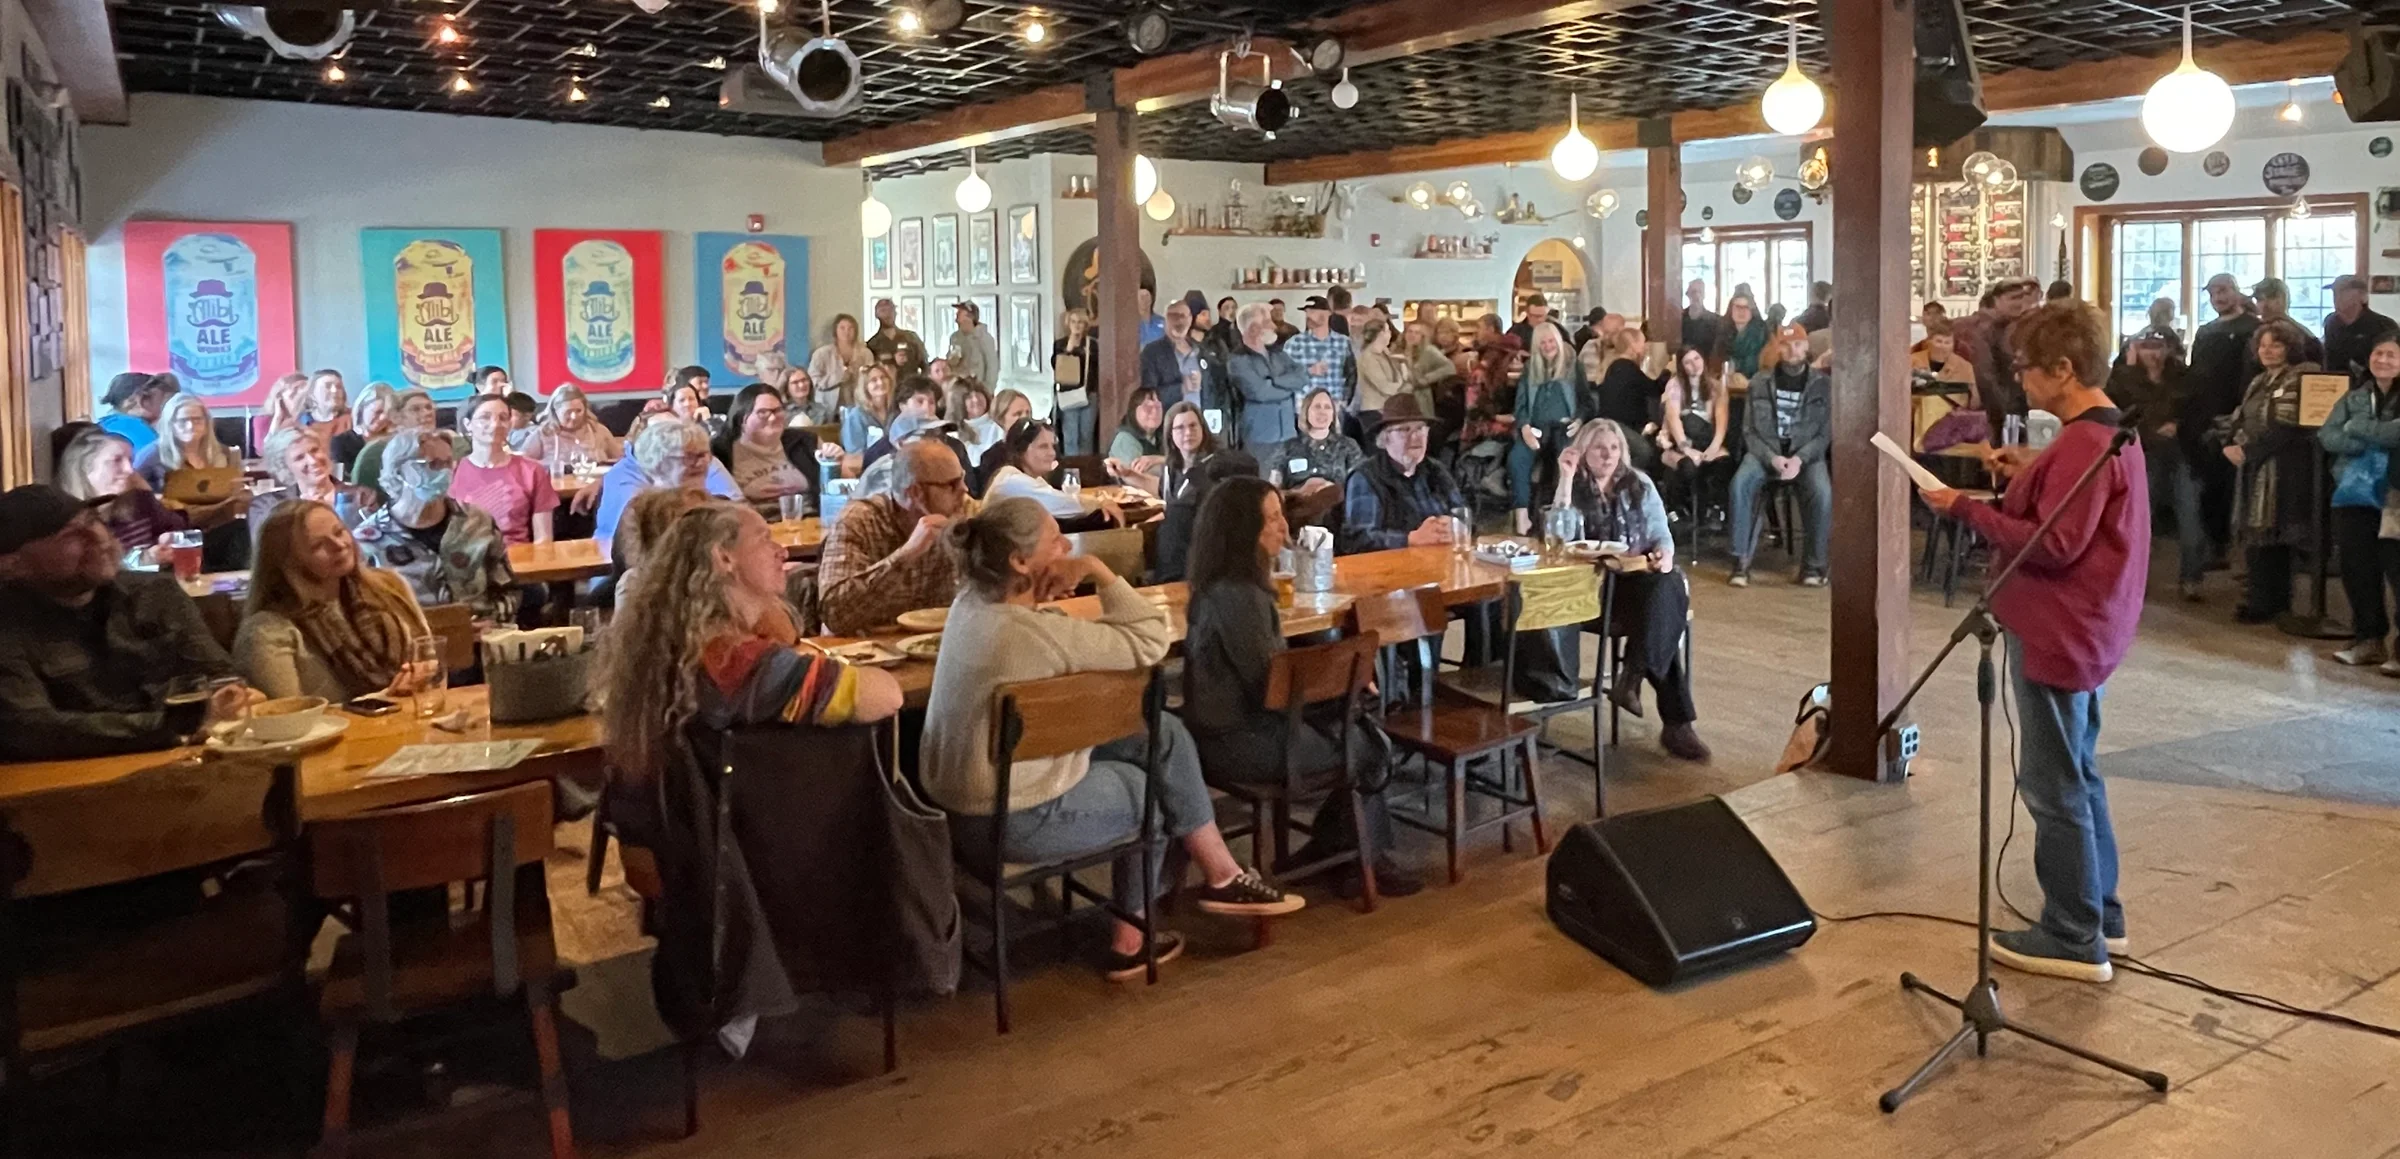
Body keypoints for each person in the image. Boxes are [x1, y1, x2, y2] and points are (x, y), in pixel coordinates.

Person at [920, 498, 1302, 980]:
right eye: (1055, 540)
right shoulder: (1031, 635)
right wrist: (1098, 571)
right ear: (1019, 561)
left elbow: (1069, 637)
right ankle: (1133, 939)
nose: (1066, 547)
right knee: (1155, 799)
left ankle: (1222, 875)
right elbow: (1150, 638)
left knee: (1161, 734)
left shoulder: (970, 607)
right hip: (1007, 821)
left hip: (955, 806)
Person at [1920, 299, 2148, 983]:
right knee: (2080, 772)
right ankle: (2101, 911)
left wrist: (1963, 506)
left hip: (2059, 629)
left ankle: (2074, 934)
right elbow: (2073, 505)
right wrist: (2032, 467)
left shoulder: (2082, 442)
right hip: (2090, 628)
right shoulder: (2109, 433)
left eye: (2025, 369)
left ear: (2064, 369)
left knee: (2051, 785)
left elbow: (2052, 544)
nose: (2019, 380)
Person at [1180, 475, 1422, 897]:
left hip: (1237, 728)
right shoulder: (1239, 596)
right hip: (1239, 741)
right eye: (1271, 519)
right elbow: (1269, 687)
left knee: (1357, 723)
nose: (1283, 528)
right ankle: (1359, 856)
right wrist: (1343, 685)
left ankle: (1339, 849)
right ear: (1242, 532)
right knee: (1369, 743)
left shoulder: (1225, 587)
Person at [0, 484, 251, 759]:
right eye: (71, 535)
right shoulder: (9, 625)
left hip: (189, 764)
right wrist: (170, 726)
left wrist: (231, 696)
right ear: (13, 564)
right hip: (75, 785)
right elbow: (32, 729)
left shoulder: (156, 592)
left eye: (93, 521)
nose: (98, 537)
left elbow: (221, 676)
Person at [1553, 420, 1709, 761]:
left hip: (1635, 580)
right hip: (1590, 587)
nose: (1608, 455)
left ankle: (1634, 675)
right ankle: (1673, 721)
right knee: (1662, 615)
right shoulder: (1573, 484)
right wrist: (1565, 480)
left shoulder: (1639, 484)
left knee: (1667, 586)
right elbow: (1556, 539)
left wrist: (1664, 554)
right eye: (1599, 448)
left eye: (1613, 448)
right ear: (1583, 451)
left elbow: (1660, 533)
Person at [235, 500, 431, 703]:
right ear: (288, 562)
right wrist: (386, 697)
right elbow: (290, 719)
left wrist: (421, 673)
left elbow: (428, 656)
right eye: (318, 545)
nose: (339, 545)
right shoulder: (266, 630)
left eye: (339, 532)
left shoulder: (390, 585)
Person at [352, 428, 518, 623]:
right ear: (398, 472)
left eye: (448, 463)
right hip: (413, 645)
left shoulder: (477, 521)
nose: (444, 472)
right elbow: (364, 617)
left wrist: (493, 620)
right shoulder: (367, 541)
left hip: (484, 639)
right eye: (433, 465)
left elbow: (508, 590)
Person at [2214, 318, 2320, 623]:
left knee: (2277, 536)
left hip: (2284, 469)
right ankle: (2261, 598)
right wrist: (2229, 441)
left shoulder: (2299, 378)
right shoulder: (2260, 381)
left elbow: (2286, 427)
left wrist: (2248, 451)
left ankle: (2272, 602)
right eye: (2263, 345)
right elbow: (2241, 418)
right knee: (2258, 536)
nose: (2268, 351)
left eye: (2276, 344)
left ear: (2290, 348)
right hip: (2253, 467)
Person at [816, 440, 971, 634]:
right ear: (915, 493)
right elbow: (834, 614)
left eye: (962, 479)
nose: (964, 490)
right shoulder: (860, 520)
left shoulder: (964, 516)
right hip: (870, 651)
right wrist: (906, 555)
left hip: (938, 648)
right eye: (952, 485)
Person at [1728, 324, 1832, 588]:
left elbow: (1825, 433)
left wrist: (1799, 459)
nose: (1792, 350)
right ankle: (1740, 563)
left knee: (1822, 492)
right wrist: (1773, 458)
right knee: (1740, 484)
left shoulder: (1823, 384)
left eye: (1797, 344)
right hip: (1767, 451)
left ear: (1807, 346)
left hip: (1805, 455)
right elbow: (1749, 431)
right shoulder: (1760, 382)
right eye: (1785, 345)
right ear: (1778, 348)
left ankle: (1813, 566)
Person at [2318, 334, 2400, 670]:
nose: (2383, 360)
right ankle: (2368, 640)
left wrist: (2359, 428)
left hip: (2395, 495)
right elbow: (2328, 435)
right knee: (2358, 569)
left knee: (2398, 571)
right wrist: (2369, 437)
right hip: (2355, 494)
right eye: (2378, 354)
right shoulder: (2354, 397)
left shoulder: (2357, 411)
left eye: (2391, 355)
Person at [2105, 332, 2207, 599]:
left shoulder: (2184, 378)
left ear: (2169, 349)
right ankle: (2136, 578)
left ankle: (2191, 579)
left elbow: (2200, 414)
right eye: (2146, 347)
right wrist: (2148, 431)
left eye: (2158, 347)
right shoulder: (2123, 379)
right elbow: (2116, 415)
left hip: (2182, 454)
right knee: (2139, 520)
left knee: (2190, 518)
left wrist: (2179, 425)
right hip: (2143, 454)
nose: (2153, 354)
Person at [56, 428, 227, 556]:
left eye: (130, 460)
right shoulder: (66, 521)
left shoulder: (137, 501)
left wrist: (147, 494)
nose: (130, 470)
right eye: (117, 460)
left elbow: (176, 527)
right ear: (85, 467)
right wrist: (144, 560)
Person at [2186, 273, 2262, 547]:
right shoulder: (2206, 331)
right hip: (2208, 417)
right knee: (2212, 483)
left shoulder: (2254, 328)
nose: (2218, 297)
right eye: (2213, 292)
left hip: (2242, 415)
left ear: (2236, 292)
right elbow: (2195, 375)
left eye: (2224, 290)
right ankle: (2215, 544)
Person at [588, 417, 741, 548]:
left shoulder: (713, 501)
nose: (701, 463)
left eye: (704, 455)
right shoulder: (640, 512)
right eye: (689, 457)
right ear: (658, 462)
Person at [1341, 395, 1461, 554]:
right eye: (1405, 429)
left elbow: (1463, 512)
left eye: (1420, 429)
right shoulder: (1365, 477)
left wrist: (1455, 525)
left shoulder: (1436, 470)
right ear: (1386, 438)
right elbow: (1358, 539)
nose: (1416, 436)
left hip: (1441, 565)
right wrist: (1411, 539)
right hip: (1391, 571)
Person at [449, 394, 558, 547]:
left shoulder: (532, 471)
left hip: (518, 560)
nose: (495, 424)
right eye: (485, 418)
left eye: (503, 418)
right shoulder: (451, 471)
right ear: (468, 424)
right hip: (466, 562)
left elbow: (544, 539)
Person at [984, 419, 1124, 532]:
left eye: (1052, 446)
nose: (1052, 453)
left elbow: (1064, 500)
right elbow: (1065, 505)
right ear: (1021, 452)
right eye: (1043, 446)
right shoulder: (1012, 481)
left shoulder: (1032, 478)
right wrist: (1102, 503)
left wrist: (1100, 504)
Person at [1507, 324, 1580, 534]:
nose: (1548, 346)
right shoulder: (1530, 369)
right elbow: (1520, 406)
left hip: (1565, 427)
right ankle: (1522, 518)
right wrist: (1524, 427)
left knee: (1564, 459)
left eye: (1551, 341)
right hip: (1536, 428)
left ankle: (1561, 517)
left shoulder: (1573, 366)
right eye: (1543, 342)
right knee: (1517, 459)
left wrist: (1581, 420)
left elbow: (1587, 402)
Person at [710, 383, 821, 516]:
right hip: (754, 525)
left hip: (810, 520)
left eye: (778, 410)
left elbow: (840, 482)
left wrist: (835, 461)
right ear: (742, 419)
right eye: (762, 412)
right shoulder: (720, 451)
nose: (773, 417)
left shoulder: (804, 441)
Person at [1952, 277, 2040, 434]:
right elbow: (1985, 377)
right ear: (1996, 300)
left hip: (2006, 411)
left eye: (2021, 297)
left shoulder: (2010, 326)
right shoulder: (1981, 328)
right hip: (1991, 414)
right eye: (2013, 298)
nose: (2018, 303)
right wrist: (2004, 414)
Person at [254, 426, 376, 535]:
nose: (313, 461)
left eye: (315, 450)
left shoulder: (362, 497)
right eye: (299, 458)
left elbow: (374, 547)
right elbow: (269, 552)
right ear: (285, 468)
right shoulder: (268, 505)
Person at [1276, 388, 1363, 526]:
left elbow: (1359, 487)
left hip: (1337, 515)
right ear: (1306, 411)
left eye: (1327, 407)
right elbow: (1274, 492)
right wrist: (1299, 491)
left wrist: (1327, 488)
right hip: (1298, 515)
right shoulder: (1288, 447)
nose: (1322, 412)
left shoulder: (1348, 446)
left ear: (1333, 414)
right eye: (1317, 406)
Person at [1227, 303, 1308, 450]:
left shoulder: (1278, 354)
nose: (1273, 326)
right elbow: (1261, 392)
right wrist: (1289, 388)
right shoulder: (1238, 361)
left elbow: (1302, 377)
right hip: (1260, 439)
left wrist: (1274, 381)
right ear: (1253, 328)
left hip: (1289, 434)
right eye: (1266, 322)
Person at [1658, 346, 1732, 492]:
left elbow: (1722, 420)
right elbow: (1673, 418)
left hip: (1706, 439)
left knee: (1723, 465)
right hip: (1681, 440)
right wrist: (1686, 448)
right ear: (1682, 366)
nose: (1694, 364)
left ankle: (1714, 511)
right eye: (1688, 362)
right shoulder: (1675, 384)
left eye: (1697, 358)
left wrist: (1713, 448)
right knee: (1688, 467)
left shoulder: (1716, 386)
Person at [133, 392, 239, 493]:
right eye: (182, 421)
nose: (190, 426)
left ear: (207, 423)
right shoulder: (152, 455)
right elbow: (131, 493)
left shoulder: (223, 452)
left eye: (197, 420)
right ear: (170, 425)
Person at [351, 388, 439, 503]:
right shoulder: (375, 452)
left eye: (429, 407)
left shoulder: (446, 445)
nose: (427, 413)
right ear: (395, 417)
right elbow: (363, 497)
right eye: (415, 409)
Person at [1587, 327, 1666, 447]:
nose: (1645, 347)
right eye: (1643, 342)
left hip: (1611, 424)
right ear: (1633, 345)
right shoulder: (1626, 368)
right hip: (1622, 428)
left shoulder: (1614, 366)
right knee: (1648, 453)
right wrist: (1666, 372)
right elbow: (1654, 390)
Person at [1284, 296, 1355, 417]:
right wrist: (1308, 371)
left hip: (1335, 407)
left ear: (1327, 314)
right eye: (1307, 312)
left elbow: (1351, 375)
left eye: (1313, 312)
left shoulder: (1343, 343)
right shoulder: (1294, 343)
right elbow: (1284, 377)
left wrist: (1345, 400)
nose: (1308, 316)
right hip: (1305, 408)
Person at [524, 383, 623, 467]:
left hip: (595, 487)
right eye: (568, 412)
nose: (574, 416)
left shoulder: (598, 431)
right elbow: (524, 465)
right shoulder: (543, 434)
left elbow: (620, 460)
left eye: (579, 411)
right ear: (555, 411)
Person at [2245, 278, 2326, 380]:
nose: (2264, 305)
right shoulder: (2254, 332)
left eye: (2271, 298)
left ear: (2282, 299)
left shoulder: (2303, 335)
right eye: (2259, 300)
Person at [2321, 274, 2399, 379]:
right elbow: (2329, 360)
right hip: (2336, 386)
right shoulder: (2331, 322)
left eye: (2343, 293)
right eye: (2335, 293)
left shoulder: (2384, 326)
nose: (2337, 297)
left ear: (2362, 296)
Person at [1139, 297, 1210, 408]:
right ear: (1165, 320)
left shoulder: (1203, 351)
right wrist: (1181, 389)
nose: (1179, 321)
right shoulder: (1152, 352)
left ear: (1190, 319)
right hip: (1168, 423)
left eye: (1183, 316)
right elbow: (1147, 395)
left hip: (1199, 423)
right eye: (1173, 316)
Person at [1052, 307, 1101, 455]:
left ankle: (1085, 470)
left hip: (1088, 393)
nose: (1077, 325)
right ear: (1068, 323)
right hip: (1069, 394)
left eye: (1080, 322)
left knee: (1086, 437)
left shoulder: (1092, 344)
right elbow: (1056, 365)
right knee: (1070, 437)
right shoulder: (1060, 344)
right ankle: (1071, 469)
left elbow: (1098, 368)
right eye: (1073, 321)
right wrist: (1068, 350)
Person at [1157, 399, 1224, 504]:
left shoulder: (1217, 467)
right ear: (1170, 434)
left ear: (1202, 428)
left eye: (1193, 426)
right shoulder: (1170, 469)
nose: (1188, 433)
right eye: (1180, 428)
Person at [809, 313, 877, 409]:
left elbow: (872, 378)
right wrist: (838, 377)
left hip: (857, 406)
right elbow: (813, 381)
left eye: (850, 328)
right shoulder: (821, 354)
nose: (846, 332)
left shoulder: (865, 354)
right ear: (835, 330)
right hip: (826, 407)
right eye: (842, 328)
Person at [1108, 388, 1168, 496]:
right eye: (1148, 407)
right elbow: (1139, 478)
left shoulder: (1164, 435)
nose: (1154, 412)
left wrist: (1158, 459)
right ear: (1134, 410)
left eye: (1158, 407)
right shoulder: (1125, 439)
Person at [1353, 316, 1412, 424]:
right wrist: (1402, 380)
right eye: (1388, 330)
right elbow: (1386, 387)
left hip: (1387, 410)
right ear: (1380, 334)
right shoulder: (1368, 358)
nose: (1390, 334)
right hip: (1373, 412)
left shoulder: (1385, 352)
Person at [97, 372, 172, 454]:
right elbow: (166, 460)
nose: (165, 405)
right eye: (162, 398)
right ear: (138, 400)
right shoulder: (135, 428)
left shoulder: (104, 425)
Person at [334, 382, 399, 477]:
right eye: (378, 412)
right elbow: (338, 480)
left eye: (387, 413)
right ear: (361, 409)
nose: (383, 418)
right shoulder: (341, 442)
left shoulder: (395, 442)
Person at [841, 364, 899, 454]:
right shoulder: (857, 416)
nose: (880, 382)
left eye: (883, 377)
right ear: (865, 387)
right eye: (873, 380)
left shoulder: (897, 410)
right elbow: (855, 452)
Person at [866, 297, 929, 378]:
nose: (887, 314)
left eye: (890, 310)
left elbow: (925, 365)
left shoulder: (911, 338)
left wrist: (921, 383)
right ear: (876, 315)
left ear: (895, 313)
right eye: (883, 311)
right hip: (886, 388)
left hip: (911, 387)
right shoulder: (872, 344)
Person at [946, 301, 1000, 390]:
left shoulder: (984, 338)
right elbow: (950, 363)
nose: (956, 317)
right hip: (959, 388)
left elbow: (992, 366)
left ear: (969, 316)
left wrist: (988, 390)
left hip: (978, 388)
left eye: (959, 313)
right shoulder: (955, 338)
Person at [1719, 294, 1771, 378]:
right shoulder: (1723, 333)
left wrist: (1734, 366)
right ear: (1731, 310)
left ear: (1752, 311)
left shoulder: (1762, 334)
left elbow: (1760, 363)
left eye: (1746, 307)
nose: (1742, 312)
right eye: (1738, 307)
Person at [1678, 279, 1726, 365]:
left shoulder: (1715, 321)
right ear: (1687, 294)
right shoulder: (1679, 320)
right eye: (1693, 292)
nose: (1697, 295)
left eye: (1700, 292)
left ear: (1704, 295)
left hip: (1707, 368)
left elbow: (1718, 351)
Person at [1507, 292, 1573, 355]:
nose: (1540, 320)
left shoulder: (1557, 329)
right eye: (1536, 316)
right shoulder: (1516, 332)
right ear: (1527, 313)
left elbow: (1570, 350)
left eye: (1543, 316)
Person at [955, 382, 1007, 463]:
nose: (975, 399)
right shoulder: (954, 433)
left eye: (978, 393)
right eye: (969, 397)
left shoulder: (999, 426)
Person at [302, 370, 351, 439]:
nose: (334, 391)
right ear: (312, 393)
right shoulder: (299, 425)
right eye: (327, 386)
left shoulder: (352, 420)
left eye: (339, 387)